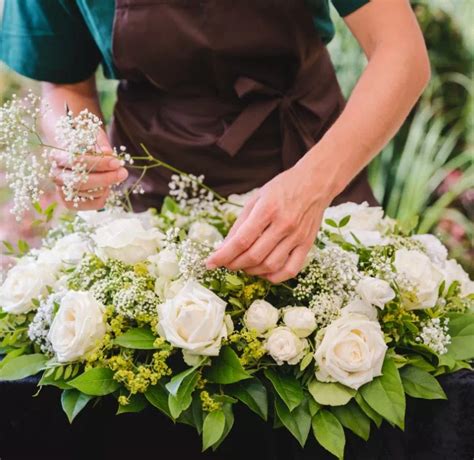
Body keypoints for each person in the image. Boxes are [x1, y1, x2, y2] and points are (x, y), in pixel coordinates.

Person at [0, 0, 429, 282]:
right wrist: (78, 148)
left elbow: (400, 51)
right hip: (151, 190)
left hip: (311, 163)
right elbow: (64, 83)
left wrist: (312, 187)